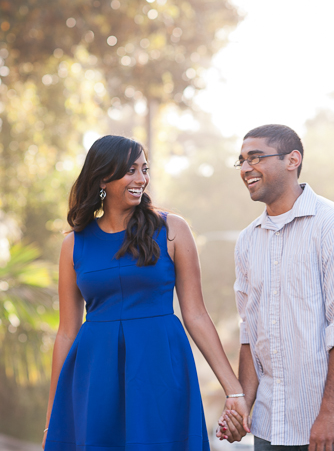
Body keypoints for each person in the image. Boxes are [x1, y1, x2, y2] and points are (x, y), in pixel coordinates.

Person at [43, 135, 249, 451]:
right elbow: (66, 333)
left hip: (160, 368)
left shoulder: (172, 229)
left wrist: (233, 391)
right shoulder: (73, 244)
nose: (141, 179)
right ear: (102, 177)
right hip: (95, 370)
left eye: (144, 169)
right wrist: (53, 420)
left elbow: (195, 314)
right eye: (130, 170)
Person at [217, 124, 334, 451]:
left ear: (293, 159)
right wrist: (243, 408)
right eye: (242, 161)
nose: (247, 168)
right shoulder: (248, 241)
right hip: (271, 424)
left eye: (256, 157)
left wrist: (328, 412)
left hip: (333, 425)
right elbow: (250, 335)